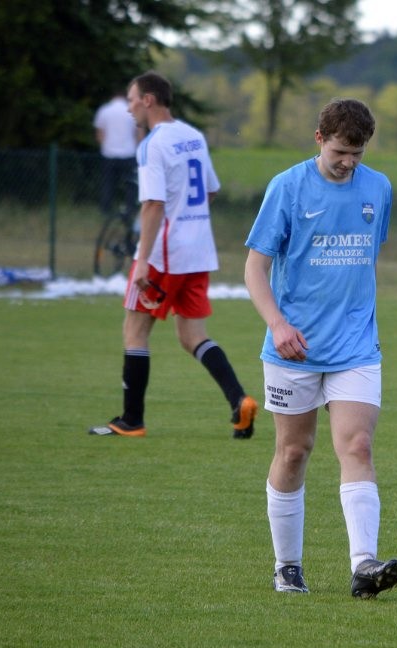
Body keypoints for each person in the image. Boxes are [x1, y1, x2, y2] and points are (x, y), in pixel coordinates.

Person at [243, 98, 397, 598]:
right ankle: (287, 566)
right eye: (339, 152)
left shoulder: (378, 188)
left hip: (356, 347)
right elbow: (254, 268)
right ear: (319, 139)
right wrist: (278, 324)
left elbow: (365, 258)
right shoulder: (287, 187)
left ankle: (364, 566)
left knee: (358, 446)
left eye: (357, 153)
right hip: (293, 348)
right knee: (293, 452)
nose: (348, 162)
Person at [88, 71, 256, 440]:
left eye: (132, 99)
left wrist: (142, 261)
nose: (129, 107)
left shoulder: (152, 144)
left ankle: (132, 420)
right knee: (192, 335)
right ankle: (239, 400)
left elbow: (153, 204)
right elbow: (210, 190)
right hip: (198, 251)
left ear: (148, 100)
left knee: (134, 331)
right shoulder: (192, 135)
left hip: (164, 255)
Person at [94, 88, 142, 217]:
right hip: (128, 153)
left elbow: (99, 133)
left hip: (109, 154)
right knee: (131, 184)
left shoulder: (104, 110)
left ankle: (106, 209)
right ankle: (130, 208)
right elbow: (139, 133)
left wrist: (105, 146)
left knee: (108, 183)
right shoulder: (132, 110)